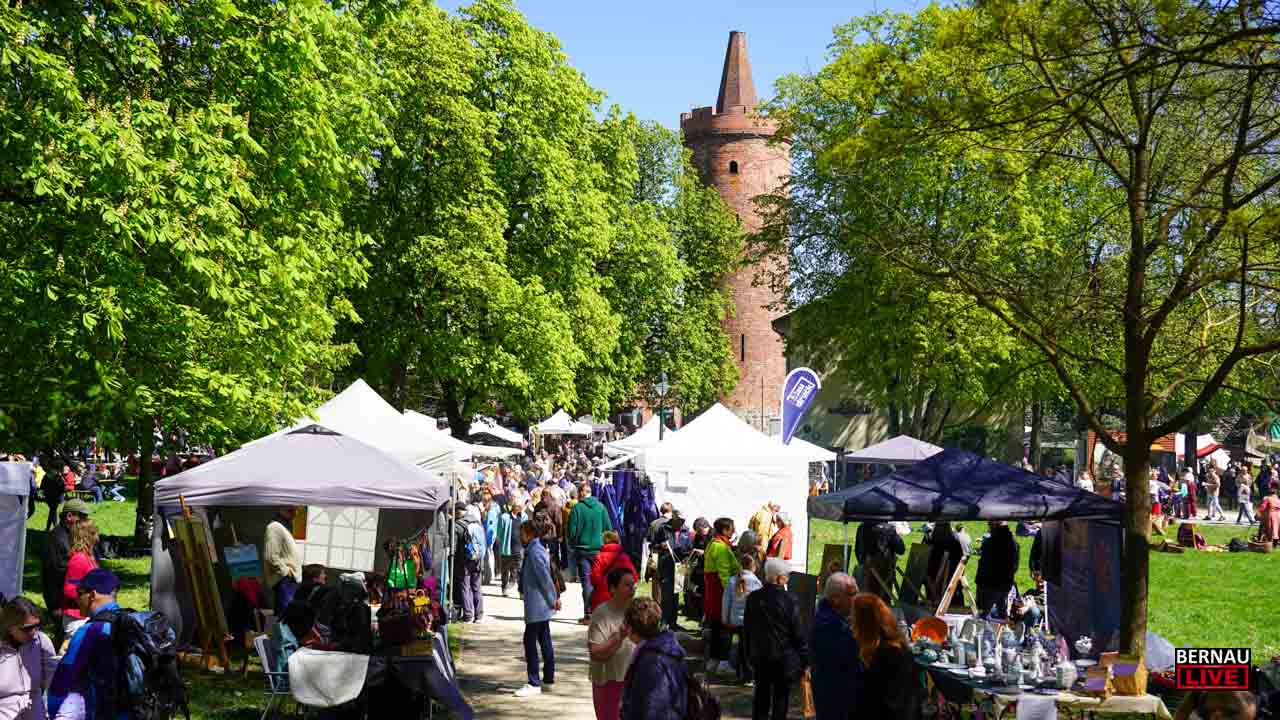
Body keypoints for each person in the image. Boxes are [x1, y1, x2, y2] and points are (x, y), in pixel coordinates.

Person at [47, 569, 127, 720]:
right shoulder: (129, 622)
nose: (76, 599)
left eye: (79, 592)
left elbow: (65, 675)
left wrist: (52, 710)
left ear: (92, 595)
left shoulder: (90, 630)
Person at [742, 558, 808, 720]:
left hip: (760, 655)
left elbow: (747, 629)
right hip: (782, 656)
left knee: (761, 697)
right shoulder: (789, 600)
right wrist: (805, 658)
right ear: (779, 578)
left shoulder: (753, 598)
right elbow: (797, 632)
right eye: (786, 576)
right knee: (781, 700)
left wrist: (747, 653)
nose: (787, 579)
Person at [851, 594, 920, 720]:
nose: (851, 623)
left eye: (854, 618)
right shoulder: (896, 647)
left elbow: (885, 703)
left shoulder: (888, 653)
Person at [620, 598, 686, 720]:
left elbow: (654, 709)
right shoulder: (666, 648)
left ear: (630, 628)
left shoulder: (651, 661)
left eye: (625, 622)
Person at [515, 518, 559, 698]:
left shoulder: (534, 551)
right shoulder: (536, 549)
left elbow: (544, 578)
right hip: (539, 605)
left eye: (522, 533)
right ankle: (548, 679)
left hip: (538, 605)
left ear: (529, 533)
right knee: (544, 639)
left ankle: (534, 681)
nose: (520, 537)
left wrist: (552, 599)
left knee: (530, 642)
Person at [587, 568, 636, 720]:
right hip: (607, 682)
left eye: (633, 585)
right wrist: (618, 638)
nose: (632, 589)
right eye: (627, 585)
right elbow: (595, 653)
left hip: (632, 682)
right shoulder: (601, 614)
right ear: (613, 589)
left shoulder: (635, 611)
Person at [811, 573, 861, 720]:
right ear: (836, 599)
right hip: (835, 696)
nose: (856, 598)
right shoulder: (830, 625)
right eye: (852, 594)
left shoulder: (836, 619)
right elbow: (851, 658)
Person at [40, 500, 89, 650]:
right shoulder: (56, 539)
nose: (85, 521)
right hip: (62, 602)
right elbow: (52, 574)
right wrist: (55, 605)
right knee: (64, 642)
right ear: (69, 516)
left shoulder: (68, 536)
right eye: (82, 517)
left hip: (70, 602)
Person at [0, 598, 57, 720]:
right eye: (27, 628)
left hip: (35, 711)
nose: (33, 632)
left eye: (37, 626)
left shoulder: (41, 641)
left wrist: (50, 711)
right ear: (10, 627)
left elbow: (53, 680)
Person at [567, 483, 613, 624]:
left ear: (581, 493)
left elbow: (572, 531)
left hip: (583, 550)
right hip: (599, 551)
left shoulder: (577, 509)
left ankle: (589, 614)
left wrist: (574, 544)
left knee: (587, 583)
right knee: (600, 583)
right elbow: (608, 528)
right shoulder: (601, 507)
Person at [702, 517, 740, 675]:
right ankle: (723, 662)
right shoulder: (721, 548)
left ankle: (714, 660)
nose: (734, 531)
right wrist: (732, 594)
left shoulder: (714, 544)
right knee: (724, 627)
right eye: (732, 529)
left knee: (716, 627)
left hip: (714, 592)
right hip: (721, 593)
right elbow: (724, 573)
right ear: (724, 530)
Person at [722, 554, 762, 683]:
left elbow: (726, 601)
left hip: (736, 621)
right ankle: (749, 675)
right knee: (749, 648)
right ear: (753, 566)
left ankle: (740, 674)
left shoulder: (732, 580)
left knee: (739, 648)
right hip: (751, 622)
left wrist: (725, 618)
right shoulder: (757, 582)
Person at [649, 512, 691, 631]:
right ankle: (663, 622)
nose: (682, 523)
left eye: (683, 520)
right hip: (666, 564)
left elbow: (688, 547)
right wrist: (660, 546)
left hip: (680, 566)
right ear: (674, 518)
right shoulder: (663, 528)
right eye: (680, 520)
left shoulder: (685, 530)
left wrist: (687, 555)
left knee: (676, 594)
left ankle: (673, 622)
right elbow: (652, 545)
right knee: (666, 594)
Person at [60, 520, 100, 643]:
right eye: (94, 533)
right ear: (86, 536)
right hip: (76, 617)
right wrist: (88, 594)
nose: (98, 538)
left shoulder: (88, 557)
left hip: (87, 614)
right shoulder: (79, 559)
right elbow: (69, 589)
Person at [975, 520, 1018, 616]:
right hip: (1004, 584)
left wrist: (980, 584)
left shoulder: (990, 543)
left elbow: (984, 566)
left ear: (994, 526)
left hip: (988, 585)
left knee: (984, 614)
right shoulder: (1013, 544)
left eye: (989, 525)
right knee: (1002, 614)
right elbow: (1015, 566)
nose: (988, 529)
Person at [854, 521, 904, 603]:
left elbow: (857, 551)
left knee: (867, 602)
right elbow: (901, 549)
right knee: (883, 603)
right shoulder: (889, 529)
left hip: (866, 571)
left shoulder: (862, 528)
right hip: (884, 573)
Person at [264, 507, 302, 612]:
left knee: (285, 618)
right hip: (285, 580)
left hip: (288, 581)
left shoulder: (281, 528)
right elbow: (271, 557)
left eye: (296, 510)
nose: (296, 513)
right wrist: (287, 572)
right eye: (291, 510)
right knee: (285, 618)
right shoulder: (275, 527)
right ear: (281, 509)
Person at [589, 532, 637, 612]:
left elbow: (594, 577)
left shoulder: (599, 556)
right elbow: (634, 577)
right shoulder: (624, 557)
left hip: (602, 597)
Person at [461, 506, 486, 624]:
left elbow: (465, 544)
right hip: (479, 561)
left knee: (466, 586)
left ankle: (468, 615)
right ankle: (479, 615)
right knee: (477, 587)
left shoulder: (467, 527)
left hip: (468, 560)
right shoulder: (480, 527)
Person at [496, 500, 525, 598]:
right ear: (514, 507)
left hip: (519, 548)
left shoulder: (523, 517)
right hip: (506, 548)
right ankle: (504, 588)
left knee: (520, 570)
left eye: (521, 506)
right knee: (505, 570)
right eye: (519, 506)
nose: (521, 508)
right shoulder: (504, 517)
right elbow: (499, 532)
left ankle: (521, 592)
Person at [40, 466, 65, 533]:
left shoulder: (47, 476)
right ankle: (55, 527)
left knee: (52, 511)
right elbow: (62, 488)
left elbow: (42, 486)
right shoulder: (58, 477)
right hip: (55, 497)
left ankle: (48, 527)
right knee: (53, 511)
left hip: (48, 496)